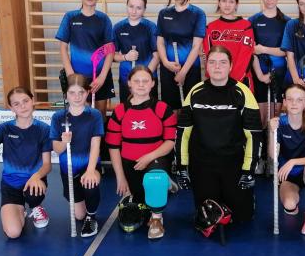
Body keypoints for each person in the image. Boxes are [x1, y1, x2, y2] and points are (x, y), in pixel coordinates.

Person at [175, 46, 262, 235]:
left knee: (242, 218)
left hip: (234, 164)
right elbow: (183, 133)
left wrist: (249, 170)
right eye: (212, 62)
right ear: (206, 66)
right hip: (202, 164)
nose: (217, 67)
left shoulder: (243, 93)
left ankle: (247, 200)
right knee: (208, 217)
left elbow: (254, 135)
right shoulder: (195, 92)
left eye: (223, 62)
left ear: (230, 66)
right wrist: (182, 166)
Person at [0, 87, 51, 239]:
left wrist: (36, 176)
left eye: (25, 101)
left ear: (32, 101)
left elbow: (47, 165)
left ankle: (35, 206)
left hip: (33, 183)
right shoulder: (4, 128)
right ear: (11, 108)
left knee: (32, 194)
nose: (22, 106)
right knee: (13, 233)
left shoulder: (43, 129)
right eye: (16, 104)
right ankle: (19, 210)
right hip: (10, 186)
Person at [105, 65, 177, 239]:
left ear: (153, 83)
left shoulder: (163, 109)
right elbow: (113, 146)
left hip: (156, 158)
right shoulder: (120, 111)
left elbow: (170, 142)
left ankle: (157, 219)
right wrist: (120, 177)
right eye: (136, 81)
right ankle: (165, 184)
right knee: (141, 202)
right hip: (130, 164)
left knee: (154, 180)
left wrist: (149, 157)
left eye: (145, 81)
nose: (141, 84)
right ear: (129, 83)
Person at [50, 74, 104, 238]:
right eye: (72, 93)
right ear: (66, 94)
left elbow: (95, 145)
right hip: (68, 170)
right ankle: (85, 211)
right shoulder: (58, 117)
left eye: (81, 92)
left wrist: (91, 170)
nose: (77, 97)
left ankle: (92, 217)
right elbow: (57, 149)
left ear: (87, 93)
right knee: (79, 215)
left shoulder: (94, 115)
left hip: (89, 165)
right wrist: (63, 141)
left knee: (90, 183)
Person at [56, 0, 115, 116]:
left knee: (100, 115)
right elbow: (63, 48)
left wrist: (102, 77)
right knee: (80, 113)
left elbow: (110, 50)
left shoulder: (104, 19)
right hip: (77, 75)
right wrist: (71, 74)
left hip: (99, 76)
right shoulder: (70, 17)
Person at [269, 84, 305, 235]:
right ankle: (295, 199)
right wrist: (272, 132)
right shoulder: (280, 123)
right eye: (290, 99)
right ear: (285, 102)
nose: (294, 103)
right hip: (288, 175)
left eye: (299, 100)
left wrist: (293, 162)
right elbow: (273, 155)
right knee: (289, 205)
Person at [249, 0, 290, 174]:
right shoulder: (253, 20)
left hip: (280, 74)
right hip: (259, 73)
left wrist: (264, 49)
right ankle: (259, 159)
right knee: (260, 118)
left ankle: (273, 159)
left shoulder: (287, 22)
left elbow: (285, 51)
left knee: (275, 118)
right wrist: (259, 74)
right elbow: (251, 51)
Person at [156, 0, 206, 111]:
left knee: (190, 109)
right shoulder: (163, 14)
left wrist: (183, 72)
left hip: (190, 69)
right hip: (168, 68)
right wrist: (166, 62)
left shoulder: (198, 14)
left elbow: (196, 46)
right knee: (170, 109)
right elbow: (160, 42)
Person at [203, 0, 255, 90]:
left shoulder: (246, 26)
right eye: (224, 1)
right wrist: (218, 79)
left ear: (236, 4)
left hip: (241, 80)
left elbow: (246, 56)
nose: (227, 5)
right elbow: (210, 58)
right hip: (217, 81)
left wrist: (232, 81)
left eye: (231, 2)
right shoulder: (210, 27)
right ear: (219, 3)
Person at [113, 0, 159, 103]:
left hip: (147, 79)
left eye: (139, 8)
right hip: (126, 78)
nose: (134, 11)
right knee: (128, 109)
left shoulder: (151, 27)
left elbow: (157, 56)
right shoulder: (118, 27)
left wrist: (145, 76)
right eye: (131, 6)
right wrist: (125, 57)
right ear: (126, 6)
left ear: (144, 9)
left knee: (149, 110)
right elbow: (113, 56)